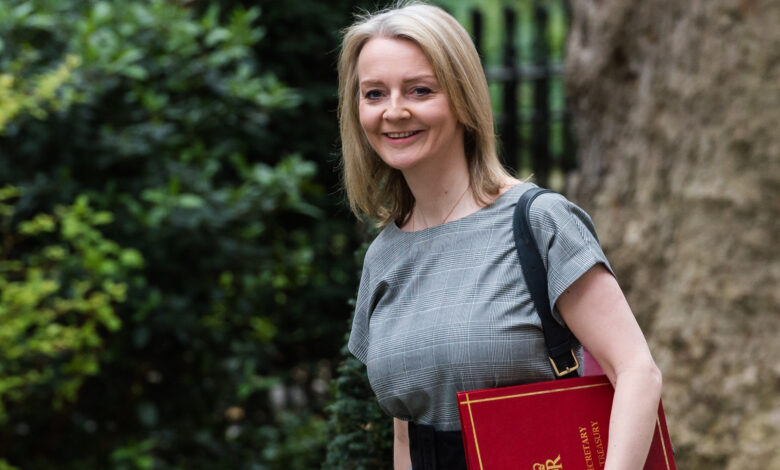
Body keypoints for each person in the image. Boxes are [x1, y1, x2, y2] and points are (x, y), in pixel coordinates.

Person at [337, 2, 663, 469]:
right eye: (374, 94)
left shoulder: (539, 221)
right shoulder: (383, 256)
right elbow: (406, 435)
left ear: (462, 98)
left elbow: (636, 371)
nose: (394, 111)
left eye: (420, 90)